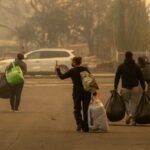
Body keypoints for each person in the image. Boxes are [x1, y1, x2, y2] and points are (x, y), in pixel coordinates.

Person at [56, 57, 91, 132]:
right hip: (86, 92)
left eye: (72, 62)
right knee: (86, 109)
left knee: (77, 109)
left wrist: (58, 69)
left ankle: (79, 123)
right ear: (80, 62)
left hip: (77, 92)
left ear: (74, 62)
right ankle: (86, 127)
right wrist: (94, 93)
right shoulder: (85, 69)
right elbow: (90, 81)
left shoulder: (72, 71)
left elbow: (62, 77)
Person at [114, 51, 145, 125]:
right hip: (135, 88)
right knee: (134, 104)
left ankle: (129, 114)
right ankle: (133, 121)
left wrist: (115, 86)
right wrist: (143, 87)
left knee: (125, 102)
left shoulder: (121, 66)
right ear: (132, 56)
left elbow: (117, 77)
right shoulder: (137, 67)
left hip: (125, 88)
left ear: (125, 56)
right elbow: (141, 78)